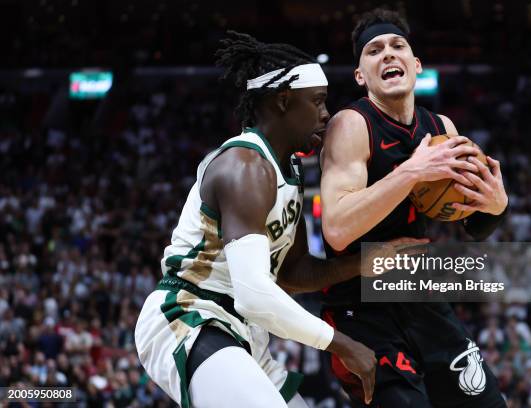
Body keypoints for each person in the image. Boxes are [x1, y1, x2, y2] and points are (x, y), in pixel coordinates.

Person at [134, 31, 385, 408]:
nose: (325, 113)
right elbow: (253, 294)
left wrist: (366, 264)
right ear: (283, 101)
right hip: (189, 314)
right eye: (317, 102)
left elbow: (294, 273)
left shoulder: (290, 168)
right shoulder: (246, 167)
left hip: (242, 330)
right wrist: (343, 345)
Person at [318, 9, 509, 408]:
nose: (388, 54)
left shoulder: (443, 128)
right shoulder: (350, 124)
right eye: (374, 50)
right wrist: (411, 171)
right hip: (361, 303)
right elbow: (336, 228)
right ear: (360, 75)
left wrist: (495, 207)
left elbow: (474, 226)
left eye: (397, 46)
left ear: (416, 64)